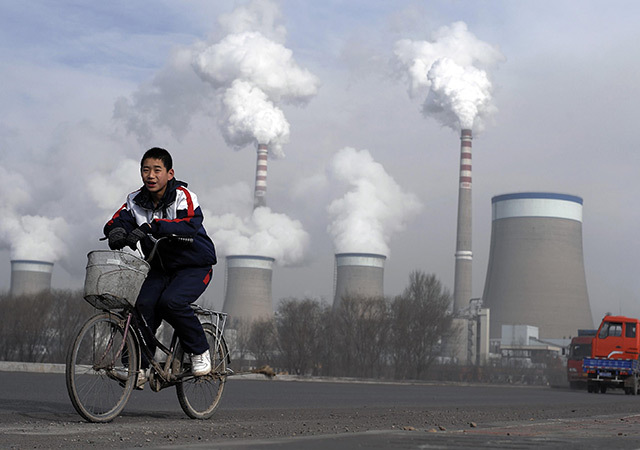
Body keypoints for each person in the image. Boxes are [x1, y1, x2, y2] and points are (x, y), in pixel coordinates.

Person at [103, 147, 217, 385]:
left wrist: (151, 227)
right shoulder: (135, 200)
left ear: (170, 173)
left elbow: (188, 224)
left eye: (157, 170)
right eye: (146, 170)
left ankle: (200, 351)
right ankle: (139, 367)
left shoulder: (183, 196)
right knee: (141, 306)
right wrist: (116, 232)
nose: (151, 176)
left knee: (171, 302)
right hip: (160, 267)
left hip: (194, 265)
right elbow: (118, 219)